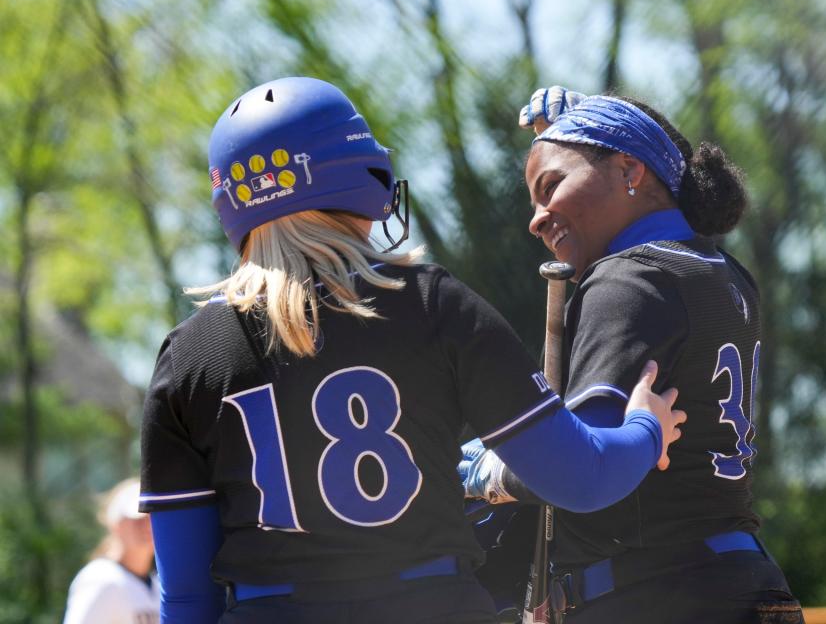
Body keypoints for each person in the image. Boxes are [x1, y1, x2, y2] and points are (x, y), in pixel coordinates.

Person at [136, 77, 687, 624]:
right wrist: (646, 427)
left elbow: (185, 599)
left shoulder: (188, 355)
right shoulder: (431, 303)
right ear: (360, 174)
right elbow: (583, 479)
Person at [460, 87, 804, 623]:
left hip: (654, 593)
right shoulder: (726, 273)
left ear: (630, 171)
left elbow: (584, 463)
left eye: (551, 186)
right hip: (746, 581)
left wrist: (492, 469)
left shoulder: (626, 278)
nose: (537, 217)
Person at [63, 478, 160, 624]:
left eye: (151, 516)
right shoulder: (101, 579)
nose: (146, 524)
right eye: (137, 517)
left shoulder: (158, 584)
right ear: (115, 523)